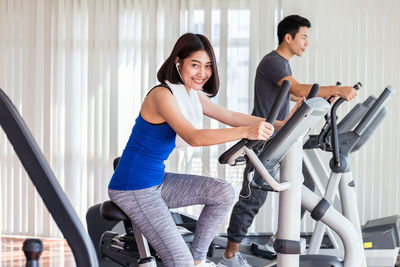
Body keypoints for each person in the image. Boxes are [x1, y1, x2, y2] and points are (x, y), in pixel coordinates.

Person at [107, 33, 301, 267]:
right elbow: (193, 137)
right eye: (195, 65)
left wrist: (279, 124)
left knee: (223, 193)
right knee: (179, 260)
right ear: (178, 62)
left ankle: (198, 259)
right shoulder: (162, 95)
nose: (202, 73)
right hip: (133, 188)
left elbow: (229, 116)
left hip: (155, 181)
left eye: (208, 66)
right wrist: (246, 132)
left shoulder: (190, 94)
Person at [218, 15, 358, 267]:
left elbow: (292, 98)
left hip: (281, 140)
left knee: (305, 188)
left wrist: (325, 99)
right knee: (252, 197)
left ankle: (278, 240)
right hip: (263, 138)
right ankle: (229, 256)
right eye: (304, 37)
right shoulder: (274, 62)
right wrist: (337, 89)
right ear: (288, 37)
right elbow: (295, 90)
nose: (307, 43)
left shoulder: (282, 65)